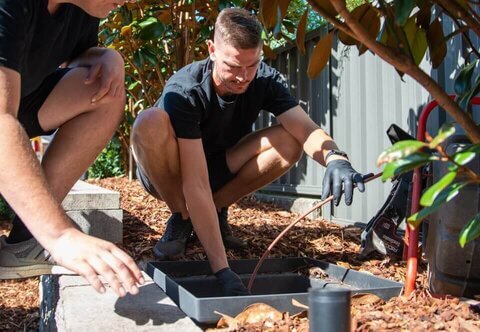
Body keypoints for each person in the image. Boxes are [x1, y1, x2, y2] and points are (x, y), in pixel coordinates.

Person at [131, 8, 365, 295]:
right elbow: (195, 182)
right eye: (233, 66)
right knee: (149, 122)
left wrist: (335, 157)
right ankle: (182, 216)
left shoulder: (264, 79)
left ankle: (214, 210)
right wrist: (222, 269)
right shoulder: (186, 89)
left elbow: (304, 128)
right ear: (212, 49)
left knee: (290, 140)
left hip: (219, 166)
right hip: (172, 171)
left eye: (251, 66)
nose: (243, 77)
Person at [0, 0, 144, 297]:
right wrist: (60, 233)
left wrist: (106, 56)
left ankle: (25, 243)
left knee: (105, 88)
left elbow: (74, 57)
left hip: (20, 101)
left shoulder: (82, 8)